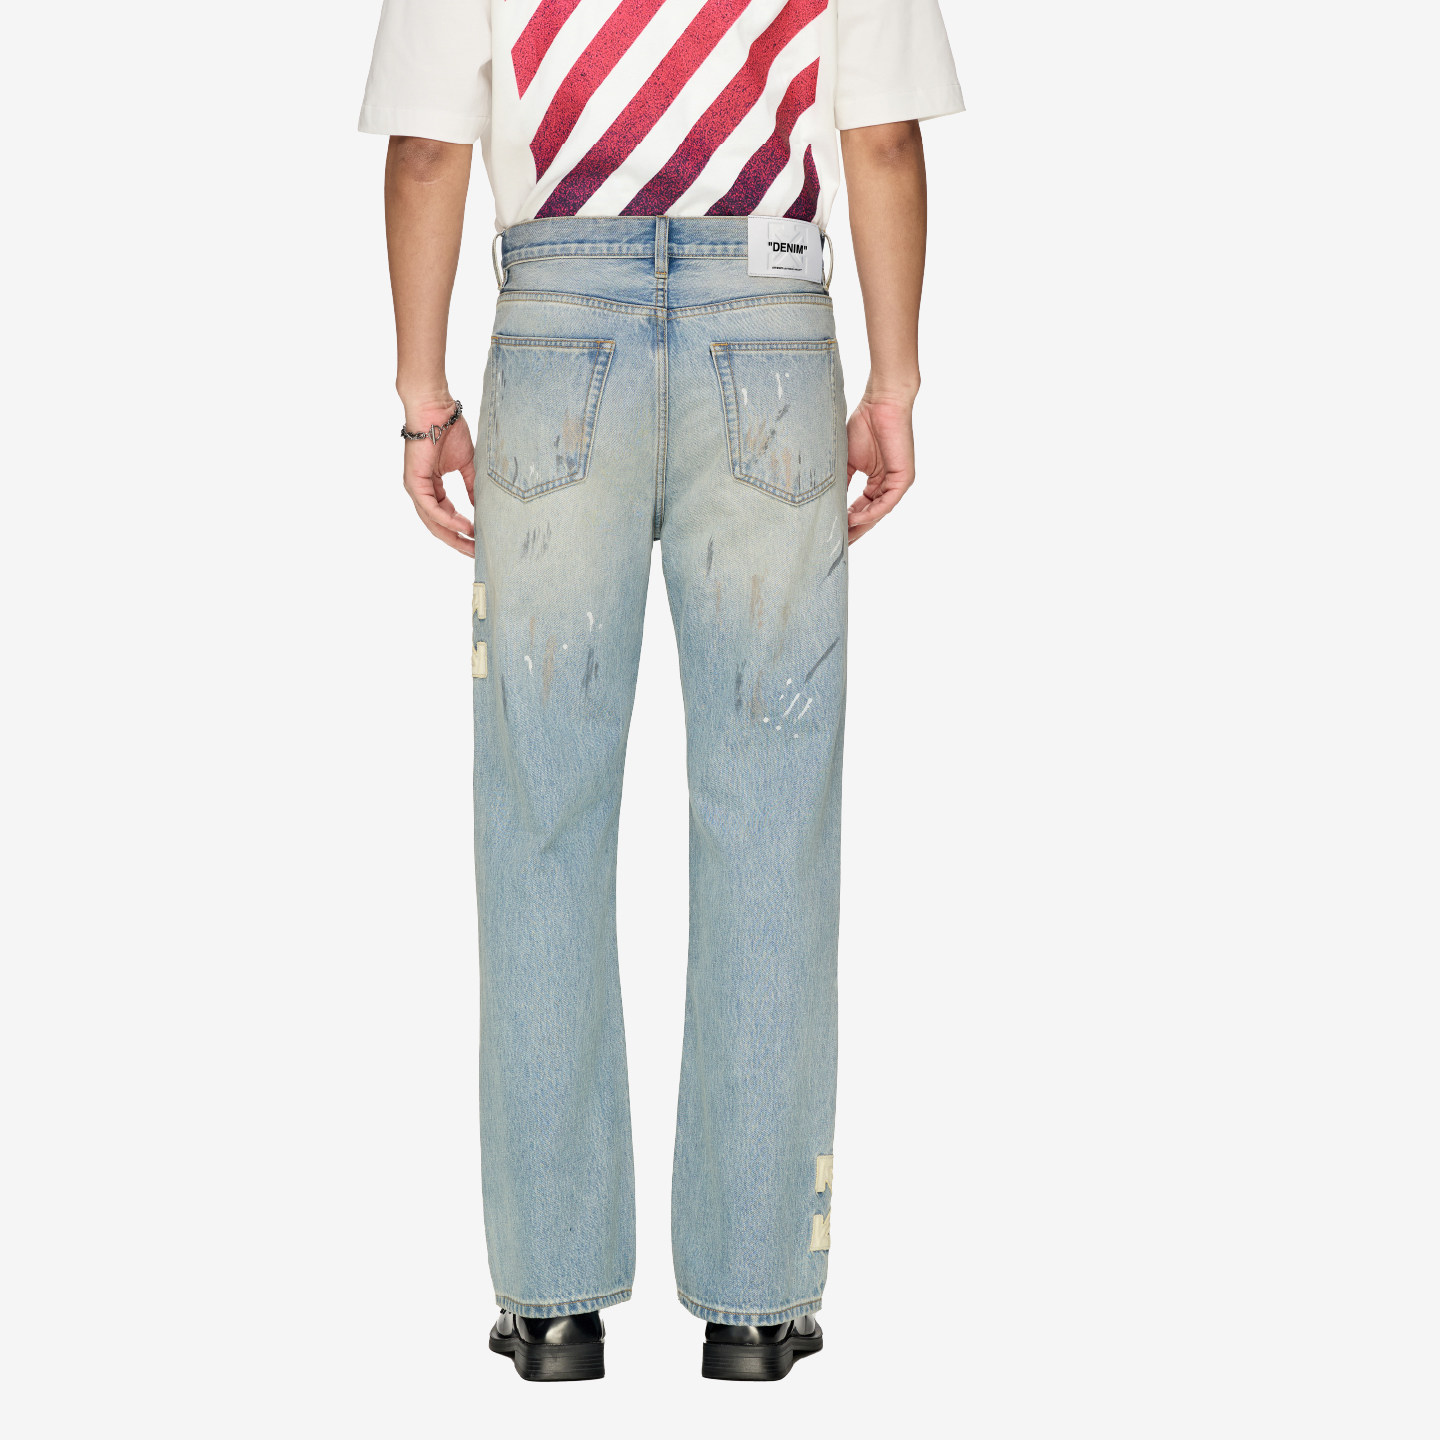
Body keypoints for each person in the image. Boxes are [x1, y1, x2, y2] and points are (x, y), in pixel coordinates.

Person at [359, 0, 962, 1383]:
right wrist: (896, 381)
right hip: (773, 327)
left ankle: (553, 1304)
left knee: (540, 816)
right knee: (771, 818)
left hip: (553, 334)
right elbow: (880, 142)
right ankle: (755, 1304)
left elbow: (426, 153)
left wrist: (421, 396)